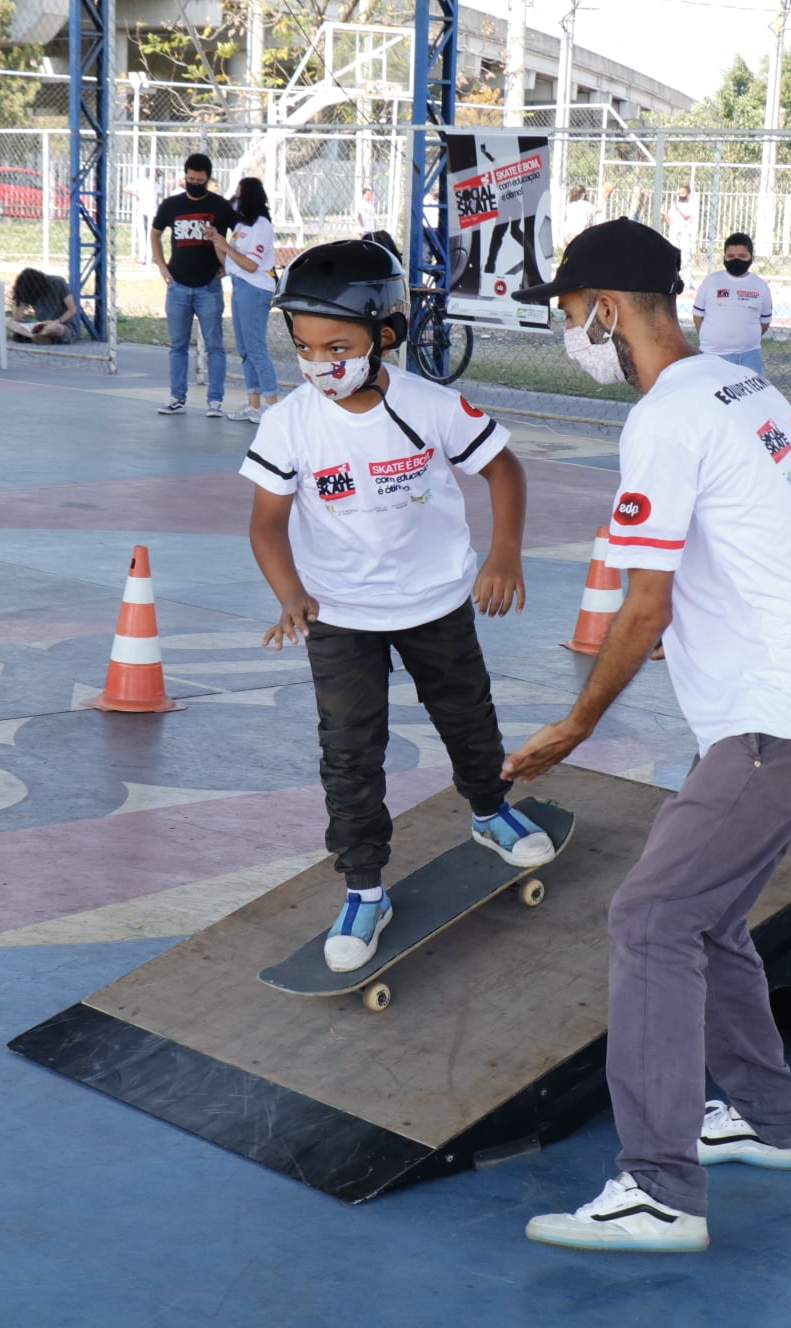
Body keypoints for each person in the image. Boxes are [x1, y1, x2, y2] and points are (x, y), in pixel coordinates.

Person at [502, 218, 791, 1254]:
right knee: (703, 919)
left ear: (606, 311)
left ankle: (659, 1187)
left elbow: (643, 605)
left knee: (651, 918)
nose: (569, 331)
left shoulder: (668, 416)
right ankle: (767, 1115)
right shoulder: (738, 383)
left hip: (778, 713)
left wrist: (576, 723)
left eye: (569, 313)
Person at [243, 239, 553, 973]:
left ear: (387, 335)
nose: (320, 363)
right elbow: (265, 522)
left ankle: (489, 811)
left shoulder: (429, 405)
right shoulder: (289, 422)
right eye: (305, 346)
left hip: (436, 601)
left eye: (338, 346)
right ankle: (364, 888)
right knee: (349, 755)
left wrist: (505, 551)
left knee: (468, 717)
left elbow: (502, 469)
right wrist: (291, 593)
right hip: (340, 615)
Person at [152, 152, 237, 417]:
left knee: (215, 345)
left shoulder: (221, 206)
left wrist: (228, 264)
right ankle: (177, 397)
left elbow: (241, 233)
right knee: (178, 345)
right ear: (184, 176)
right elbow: (155, 233)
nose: (194, 183)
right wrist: (162, 266)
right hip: (177, 286)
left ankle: (215, 401)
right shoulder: (171, 205)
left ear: (208, 179)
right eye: (190, 179)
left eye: (200, 180)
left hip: (209, 287)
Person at [211, 176, 279, 423]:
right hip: (239, 286)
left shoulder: (261, 225)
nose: (235, 200)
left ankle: (272, 405)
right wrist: (216, 241)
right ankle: (253, 403)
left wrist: (227, 248)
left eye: (239, 195)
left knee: (256, 347)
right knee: (244, 348)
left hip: (255, 287)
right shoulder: (241, 226)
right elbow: (229, 262)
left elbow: (251, 264)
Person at [690, 232, 772, 375]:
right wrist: (711, 339)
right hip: (711, 355)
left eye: (742, 256)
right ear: (724, 258)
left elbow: (764, 322)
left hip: (749, 356)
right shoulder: (710, 282)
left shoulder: (761, 286)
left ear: (751, 258)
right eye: (731, 256)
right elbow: (698, 316)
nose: (736, 260)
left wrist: (746, 339)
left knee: (751, 397)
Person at [5, 267, 78, 344]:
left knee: (53, 328)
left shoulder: (58, 281)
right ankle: (36, 337)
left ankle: (34, 336)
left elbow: (72, 309)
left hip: (62, 325)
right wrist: (20, 297)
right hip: (41, 325)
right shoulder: (28, 290)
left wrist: (56, 321)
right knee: (6, 321)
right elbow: (17, 318)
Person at [667, 185, 698, 264]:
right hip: (674, 229)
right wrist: (664, 214)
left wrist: (678, 209)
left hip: (685, 230)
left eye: (683, 193)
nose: (681, 195)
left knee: (685, 251)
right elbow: (669, 219)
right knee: (673, 249)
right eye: (679, 193)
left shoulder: (691, 204)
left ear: (688, 194)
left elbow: (686, 217)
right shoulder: (675, 204)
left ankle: (685, 267)